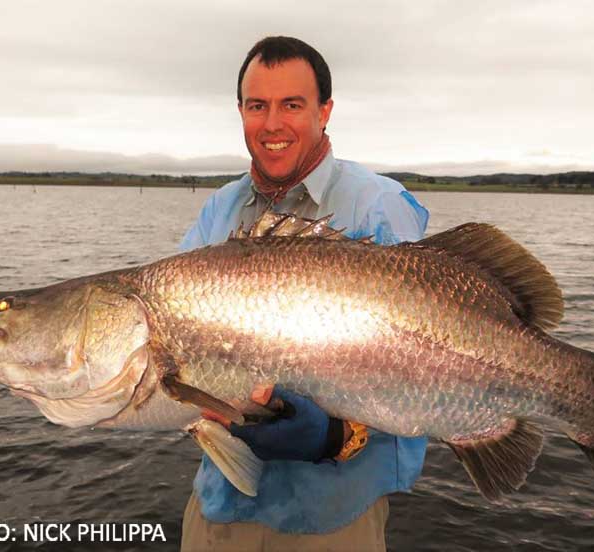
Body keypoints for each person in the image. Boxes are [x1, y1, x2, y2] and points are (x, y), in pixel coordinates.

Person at [178, 36, 429, 552]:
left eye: (292, 104)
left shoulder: (377, 206)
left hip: (332, 525)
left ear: (325, 111)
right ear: (241, 112)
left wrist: (336, 437)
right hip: (216, 512)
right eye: (257, 106)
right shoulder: (218, 211)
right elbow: (169, 341)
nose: (272, 124)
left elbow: (428, 367)